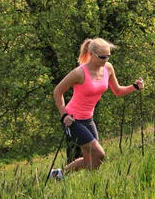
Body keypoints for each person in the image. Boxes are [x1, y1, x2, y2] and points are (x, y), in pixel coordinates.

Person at [50, 38, 144, 179]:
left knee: (89, 160)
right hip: (72, 120)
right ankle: (91, 184)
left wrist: (134, 87)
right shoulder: (79, 73)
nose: (105, 60)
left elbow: (117, 91)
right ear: (92, 54)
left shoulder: (108, 68)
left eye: (108, 56)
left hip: (88, 120)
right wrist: (64, 115)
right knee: (99, 154)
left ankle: (58, 174)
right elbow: (57, 92)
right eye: (102, 57)